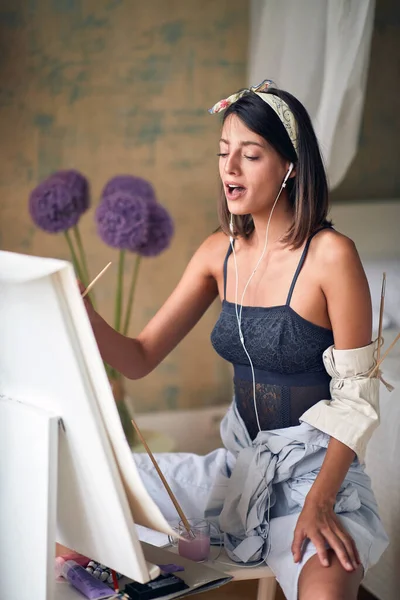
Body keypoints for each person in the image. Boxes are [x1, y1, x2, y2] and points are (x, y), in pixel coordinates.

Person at [82, 80, 388, 600]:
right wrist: (78, 313)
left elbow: (357, 400)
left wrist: (319, 500)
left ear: (290, 166)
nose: (229, 169)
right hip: (238, 470)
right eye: (224, 154)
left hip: (314, 477)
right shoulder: (214, 254)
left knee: (327, 592)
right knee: (94, 482)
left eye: (249, 155)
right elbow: (137, 358)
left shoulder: (332, 256)